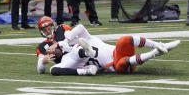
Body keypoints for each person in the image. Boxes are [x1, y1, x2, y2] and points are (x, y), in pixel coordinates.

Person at [49, 24, 181, 75]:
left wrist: (65, 41)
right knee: (121, 64)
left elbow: (80, 27)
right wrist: (84, 72)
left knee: (124, 40)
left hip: (118, 52)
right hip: (117, 66)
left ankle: (157, 46)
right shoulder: (69, 58)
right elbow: (55, 70)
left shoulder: (83, 38)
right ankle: (154, 53)